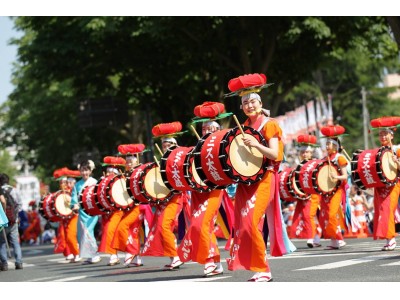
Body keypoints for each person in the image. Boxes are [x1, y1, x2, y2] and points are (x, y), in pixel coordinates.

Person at [225, 87, 288, 282]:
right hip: (246, 182)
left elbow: (275, 154)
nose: (249, 106)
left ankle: (264, 269)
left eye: (252, 102)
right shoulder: (243, 126)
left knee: (251, 221)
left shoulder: (269, 124)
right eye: (245, 103)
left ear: (260, 104)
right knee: (244, 224)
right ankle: (258, 266)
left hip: (265, 178)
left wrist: (255, 145)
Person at [177, 116, 225, 276]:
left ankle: (209, 260)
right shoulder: (194, 149)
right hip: (197, 191)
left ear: (218, 130)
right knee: (204, 226)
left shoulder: (223, 146)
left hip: (215, 189)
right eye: (204, 129)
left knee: (200, 223)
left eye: (211, 129)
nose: (207, 131)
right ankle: (216, 262)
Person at [141, 127, 186, 270]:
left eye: (169, 145)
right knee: (161, 227)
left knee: (164, 226)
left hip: (176, 198)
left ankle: (177, 256)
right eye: (164, 145)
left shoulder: (179, 158)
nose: (166, 148)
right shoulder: (161, 161)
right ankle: (174, 257)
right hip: (164, 200)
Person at [111, 146, 153, 268]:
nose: (129, 163)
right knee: (134, 232)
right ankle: (138, 257)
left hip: (140, 206)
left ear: (137, 161)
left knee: (122, 227)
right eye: (127, 161)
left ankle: (132, 251)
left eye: (131, 161)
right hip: (129, 208)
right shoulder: (125, 175)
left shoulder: (141, 172)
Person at [369, 117, 400, 251]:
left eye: (385, 134)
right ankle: (388, 239)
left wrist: (396, 161)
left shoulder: (397, 150)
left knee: (388, 210)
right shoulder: (377, 152)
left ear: (391, 135)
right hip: (380, 186)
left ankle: (391, 238)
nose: (382, 136)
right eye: (380, 134)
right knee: (381, 211)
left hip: (394, 184)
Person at [319, 125, 350, 250]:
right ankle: (334, 240)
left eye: (329, 144)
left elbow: (345, 177)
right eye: (326, 144)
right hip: (326, 191)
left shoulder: (340, 158)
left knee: (332, 214)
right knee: (325, 215)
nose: (327, 146)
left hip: (337, 190)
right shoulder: (324, 159)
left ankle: (339, 239)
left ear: (335, 146)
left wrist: (335, 177)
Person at [290, 134, 322, 248]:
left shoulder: (315, 164)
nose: (304, 154)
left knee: (309, 215)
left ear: (311, 153)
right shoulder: (298, 165)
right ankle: (316, 238)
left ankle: (311, 237)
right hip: (303, 195)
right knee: (304, 216)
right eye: (302, 152)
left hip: (313, 194)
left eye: (306, 152)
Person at [70, 160, 102, 264]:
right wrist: (74, 205)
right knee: (82, 234)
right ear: (80, 171)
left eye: (86, 170)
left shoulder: (94, 182)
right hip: (82, 212)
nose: (85, 173)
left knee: (88, 231)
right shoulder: (77, 185)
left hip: (92, 211)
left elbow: (98, 195)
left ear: (90, 171)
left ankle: (95, 254)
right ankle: (89, 255)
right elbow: (74, 197)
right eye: (82, 171)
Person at [97, 156, 126, 266]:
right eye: (108, 171)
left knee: (110, 230)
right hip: (107, 211)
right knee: (108, 231)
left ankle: (118, 254)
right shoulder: (103, 181)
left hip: (119, 210)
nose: (109, 173)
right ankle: (113, 255)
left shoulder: (120, 180)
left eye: (112, 171)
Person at [0, 173, 23, 271]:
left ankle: (4, 264)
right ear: (8, 180)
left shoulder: (0, 190)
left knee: (2, 242)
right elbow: (19, 205)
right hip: (13, 220)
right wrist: (15, 215)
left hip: (2, 220)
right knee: (15, 242)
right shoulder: (14, 190)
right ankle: (19, 262)